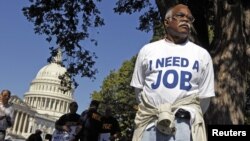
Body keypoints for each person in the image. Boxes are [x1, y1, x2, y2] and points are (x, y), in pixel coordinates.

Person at [130, 4, 215, 141]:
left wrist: (187, 113)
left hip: (184, 126)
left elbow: (204, 97)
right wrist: (157, 110)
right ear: (167, 21)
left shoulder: (201, 54)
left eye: (190, 18)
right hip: (151, 124)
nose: (186, 20)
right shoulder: (148, 50)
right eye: (181, 15)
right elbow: (139, 89)